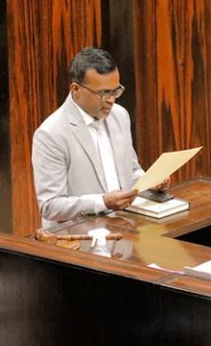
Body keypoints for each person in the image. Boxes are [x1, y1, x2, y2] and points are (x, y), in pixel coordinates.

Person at [32, 47, 165, 228]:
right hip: (78, 238)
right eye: (103, 93)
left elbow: (131, 171)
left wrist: (150, 182)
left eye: (115, 91)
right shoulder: (50, 134)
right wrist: (102, 202)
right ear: (76, 89)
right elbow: (50, 206)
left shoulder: (119, 115)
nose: (111, 100)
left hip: (123, 229)